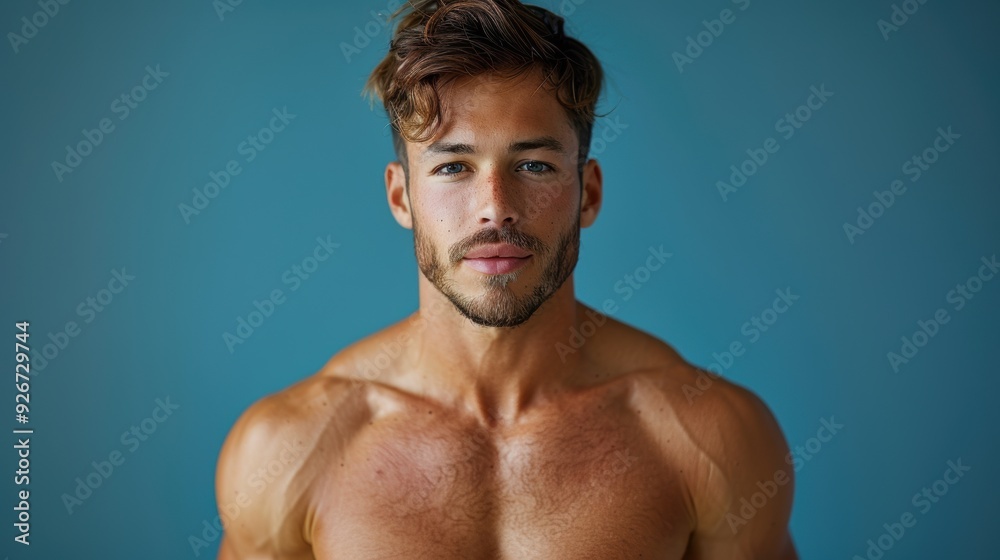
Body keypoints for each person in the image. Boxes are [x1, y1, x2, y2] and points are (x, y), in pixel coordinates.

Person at [215, 1, 797, 557]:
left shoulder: (707, 436)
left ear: (588, 193)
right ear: (401, 196)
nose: (495, 208)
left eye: (534, 165)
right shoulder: (291, 446)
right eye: (452, 168)